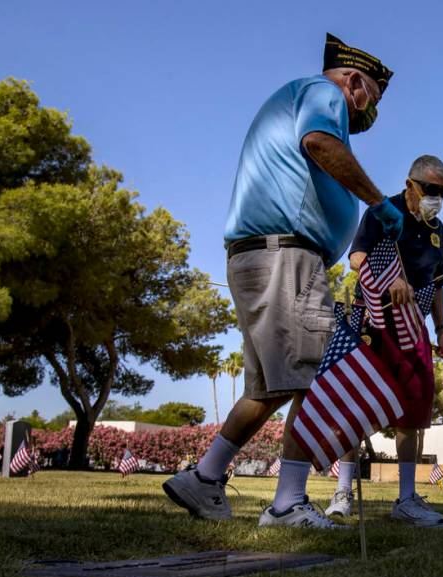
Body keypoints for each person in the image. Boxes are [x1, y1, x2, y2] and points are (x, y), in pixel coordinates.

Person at [163, 33, 402, 529]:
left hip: (259, 256)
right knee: (311, 378)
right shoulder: (325, 94)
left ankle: (204, 479)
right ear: (355, 82)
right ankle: (287, 503)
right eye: (371, 99)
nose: (366, 112)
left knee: (266, 386)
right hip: (286, 255)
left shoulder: (295, 96)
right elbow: (319, 142)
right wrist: (378, 203)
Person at [323, 155, 443, 526]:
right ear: (409, 183)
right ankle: (343, 492)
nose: (436, 198)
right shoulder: (384, 212)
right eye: (431, 189)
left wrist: (442, 330)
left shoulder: (439, 230)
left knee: (414, 413)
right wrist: (386, 277)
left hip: (415, 327)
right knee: (355, 406)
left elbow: (439, 283)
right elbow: (356, 257)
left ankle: (407, 499)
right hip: (373, 320)